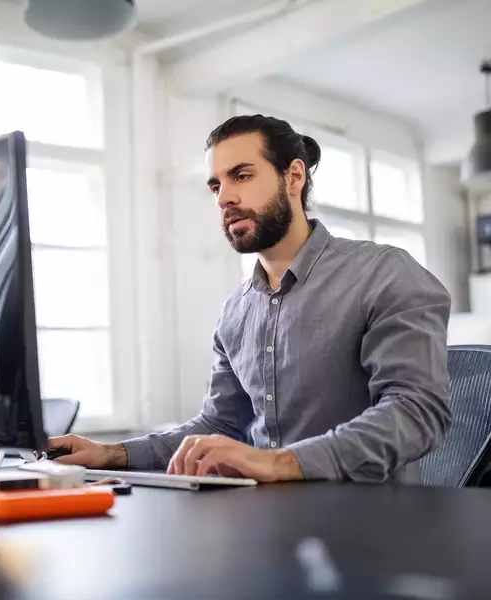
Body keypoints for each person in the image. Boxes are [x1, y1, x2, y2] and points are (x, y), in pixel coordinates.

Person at [49, 114, 452, 484]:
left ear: (293, 177)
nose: (224, 198)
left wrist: (280, 463)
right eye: (216, 184)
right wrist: (113, 453)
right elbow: (222, 425)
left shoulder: (382, 274)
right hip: (265, 522)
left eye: (241, 176)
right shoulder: (236, 311)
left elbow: (416, 411)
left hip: (369, 527)